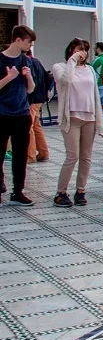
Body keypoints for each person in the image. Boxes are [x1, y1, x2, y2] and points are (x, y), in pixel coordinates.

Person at [50, 38, 103, 208]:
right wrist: (72, 60)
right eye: (79, 48)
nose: (83, 52)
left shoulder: (89, 69)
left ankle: (81, 190)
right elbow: (65, 81)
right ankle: (61, 192)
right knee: (72, 156)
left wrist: (99, 118)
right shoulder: (59, 67)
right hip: (72, 117)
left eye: (85, 49)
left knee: (86, 157)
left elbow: (94, 93)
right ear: (71, 49)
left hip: (89, 116)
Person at [0, 26, 37, 206]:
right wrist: (9, 77)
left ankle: (18, 191)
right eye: (28, 41)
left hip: (22, 114)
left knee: (20, 155)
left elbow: (30, 90)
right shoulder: (1, 59)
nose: (30, 45)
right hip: (2, 114)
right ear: (18, 40)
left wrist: (28, 78)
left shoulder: (25, 60)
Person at [25, 43, 50, 164]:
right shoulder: (37, 61)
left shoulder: (28, 63)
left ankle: (30, 155)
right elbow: (48, 77)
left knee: (28, 126)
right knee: (36, 125)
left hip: (32, 99)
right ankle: (43, 152)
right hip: (39, 98)